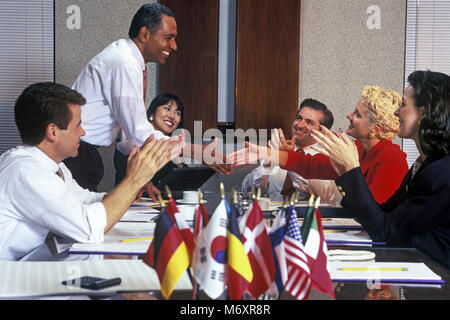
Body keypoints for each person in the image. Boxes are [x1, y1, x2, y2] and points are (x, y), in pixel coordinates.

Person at [0, 82, 177, 260]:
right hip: (10, 275)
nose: (83, 132)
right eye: (78, 125)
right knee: (127, 264)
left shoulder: (54, 166)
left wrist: (128, 191)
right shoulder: (27, 172)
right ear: (53, 131)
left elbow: (84, 200)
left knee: (123, 257)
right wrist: (133, 181)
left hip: (32, 260)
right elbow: (89, 229)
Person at [64, 3, 231, 191]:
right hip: (77, 154)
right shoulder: (125, 63)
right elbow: (139, 133)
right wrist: (196, 151)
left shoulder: (131, 61)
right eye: (168, 38)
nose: (174, 46)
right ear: (145, 35)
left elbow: (127, 138)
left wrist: (141, 178)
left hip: (84, 154)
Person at [310, 70, 450, 269]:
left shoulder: (441, 173)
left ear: (423, 112)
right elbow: (383, 213)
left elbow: (383, 229)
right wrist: (345, 170)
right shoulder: (425, 164)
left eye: (403, 105)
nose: (396, 112)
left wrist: (351, 168)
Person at [230, 86, 408, 204]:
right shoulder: (358, 149)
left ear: (375, 129)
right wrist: (268, 154)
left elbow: (375, 214)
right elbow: (311, 165)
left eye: (357, 114)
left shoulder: (391, 158)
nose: (348, 115)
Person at [241, 99, 339, 203]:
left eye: (309, 122)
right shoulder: (278, 151)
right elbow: (246, 190)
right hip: (274, 216)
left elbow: (323, 194)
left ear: (322, 132)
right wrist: (267, 165)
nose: (300, 125)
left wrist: (291, 159)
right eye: (298, 118)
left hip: (310, 217)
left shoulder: (328, 157)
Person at [114, 93, 186, 200]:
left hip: (155, 202)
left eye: (177, 113)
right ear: (152, 112)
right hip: (129, 202)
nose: (172, 116)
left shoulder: (170, 144)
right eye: (167, 109)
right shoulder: (135, 136)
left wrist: (178, 159)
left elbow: (179, 178)